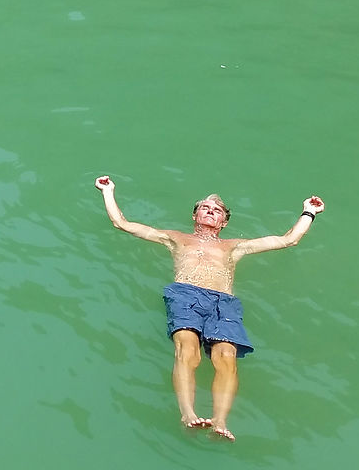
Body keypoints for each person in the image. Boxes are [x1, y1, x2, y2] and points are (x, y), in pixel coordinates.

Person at [93, 176, 324, 441]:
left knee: (226, 358)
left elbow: (287, 240)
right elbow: (121, 223)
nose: (211, 210)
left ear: (224, 222)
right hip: (185, 294)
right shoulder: (176, 239)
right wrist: (108, 191)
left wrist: (309, 211)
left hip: (223, 302)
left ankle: (220, 420)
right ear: (195, 215)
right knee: (188, 350)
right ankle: (188, 413)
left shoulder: (234, 247)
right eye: (205, 207)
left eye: (217, 210)